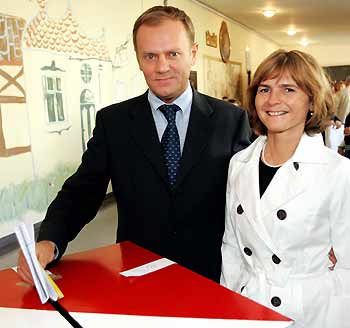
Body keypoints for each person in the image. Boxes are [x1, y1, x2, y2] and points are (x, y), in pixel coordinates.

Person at [18, 6, 250, 284]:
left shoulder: (230, 119)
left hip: (213, 274)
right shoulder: (113, 122)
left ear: (194, 53)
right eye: (150, 56)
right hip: (138, 275)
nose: (161, 66)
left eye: (173, 53)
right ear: (139, 60)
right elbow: (82, 191)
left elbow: (248, 200)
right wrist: (48, 240)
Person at [221, 49, 350, 328]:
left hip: (311, 313)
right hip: (249, 306)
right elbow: (231, 248)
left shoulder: (337, 171)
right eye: (264, 89)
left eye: (288, 89)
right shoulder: (239, 164)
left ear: (312, 101)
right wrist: (229, 304)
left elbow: (347, 266)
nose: (273, 100)